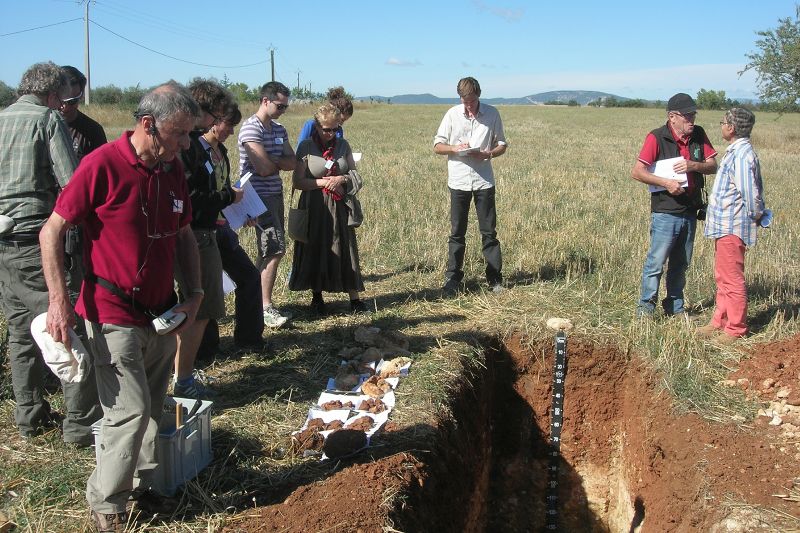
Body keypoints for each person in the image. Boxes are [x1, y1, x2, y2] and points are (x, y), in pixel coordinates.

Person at [39, 81, 203, 531]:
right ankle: (107, 504)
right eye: (180, 133)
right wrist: (58, 301)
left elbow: (184, 234)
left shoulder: (171, 169)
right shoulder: (102, 165)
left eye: (190, 134)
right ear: (148, 124)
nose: (186, 143)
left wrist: (195, 294)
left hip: (161, 313)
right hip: (111, 311)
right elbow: (51, 231)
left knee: (152, 405)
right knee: (127, 411)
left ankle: (146, 487)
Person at [0, 61, 100, 446]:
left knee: (20, 332)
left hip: (5, 244)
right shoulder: (47, 119)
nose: (64, 105)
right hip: (37, 240)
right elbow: (72, 183)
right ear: (54, 94)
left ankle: (29, 417)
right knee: (65, 326)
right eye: (63, 97)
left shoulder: (2, 118)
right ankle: (80, 424)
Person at [173, 78, 237, 399]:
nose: (215, 122)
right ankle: (182, 379)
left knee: (197, 306)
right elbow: (193, 196)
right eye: (215, 115)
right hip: (195, 234)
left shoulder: (194, 145)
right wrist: (227, 197)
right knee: (199, 307)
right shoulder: (190, 147)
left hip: (199, 231)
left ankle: (179, 374)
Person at [631, 93, 718, 317]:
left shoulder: (698, 134)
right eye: (687, 115)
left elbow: (713, 166)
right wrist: (666, 183)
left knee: (681, 263)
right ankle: (646, 309)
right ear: (672, 117)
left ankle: (675, 307)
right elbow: (637, 172)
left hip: (690, 209)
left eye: (693, 114)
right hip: (665, 211)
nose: (692, 119)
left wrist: (693, 165)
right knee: (656, 262)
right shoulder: (656, 137)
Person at [288, 103, 367, 314]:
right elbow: (298, 182)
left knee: (345, 247)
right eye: (326, 129)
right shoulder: (306, 147)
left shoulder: (343, 145)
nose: (330, 134)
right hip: (314, 205)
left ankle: (355, 299)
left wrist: (342, 179)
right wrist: (325, 182)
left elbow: (355, 175)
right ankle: (317, 296)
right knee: (315, 247)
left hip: (340, 205)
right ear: (316, 126)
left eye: (334, 129)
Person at [433, 76, 508, 296]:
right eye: (465, 102)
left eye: (472, 101)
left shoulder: (492, 114)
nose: (469, 106)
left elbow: (502, 144)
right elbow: (437, 146)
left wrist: (489, 153)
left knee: (489, 232)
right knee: (457, 233)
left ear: (479, 95)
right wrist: (455, 148)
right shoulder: (451, 114)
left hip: (484, 181)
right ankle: (453, 279)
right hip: (458, 181)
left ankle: (494, 279)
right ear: (460, 98)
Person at [698, 108, 766, 344]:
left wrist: (757, 215)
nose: (721, 125)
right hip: (723, 225)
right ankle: (719, 321)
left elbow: (750, 193)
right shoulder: (736, 151)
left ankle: (736, 328)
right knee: (722, 276)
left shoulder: (742, 155)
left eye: (723, 122)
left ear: (731, 128)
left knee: (732, 279)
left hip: (732, 226)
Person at [238, 81, 296, 328]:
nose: (283, 111)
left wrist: (273, 161)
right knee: (274, 249)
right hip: (258, 198)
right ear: (265, 101)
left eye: (285, 107)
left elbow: (292, 162)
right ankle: (264, 307)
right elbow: (262, 168)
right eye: (279, 106)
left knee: (269, 249)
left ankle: (256, 304)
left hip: (275, 195)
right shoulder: (250, 128)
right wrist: (276, 161)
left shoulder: (279, 129)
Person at [208, 104, 265, 350]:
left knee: (249, 277)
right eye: (229, 125)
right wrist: (230, 196)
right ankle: (206, 349)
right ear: (213, 120)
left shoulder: (221, 151)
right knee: (208, 287)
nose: (231, 132)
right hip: (203, 231)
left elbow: (223, 190)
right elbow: (202, 196)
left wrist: (243, 213)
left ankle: (249, 340)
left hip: (223, 227)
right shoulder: (195, 151)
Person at [59, 65, 107, 161]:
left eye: (71, 101)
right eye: (60, 100)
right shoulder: (41, 126)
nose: (64, 107)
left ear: (81, 96)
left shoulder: (93, 131)